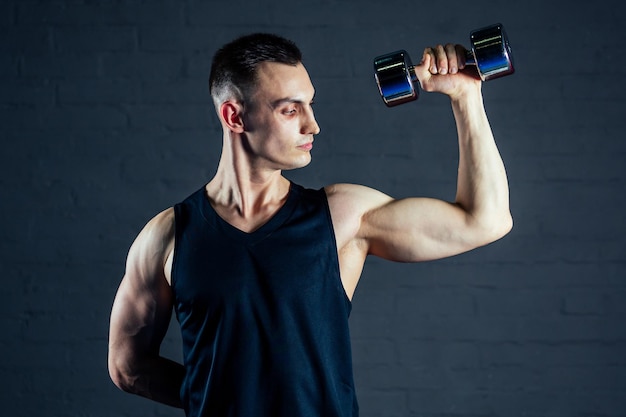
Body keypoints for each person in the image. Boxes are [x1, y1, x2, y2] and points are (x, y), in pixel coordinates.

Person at [108, 33, 512, 416]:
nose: (312, 125)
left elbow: (485, 221)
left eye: (310, 105)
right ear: (234, 116)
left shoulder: (342, 216)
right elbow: (127, 366)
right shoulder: (168, 238)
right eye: (290, 109)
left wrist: (465, 96)